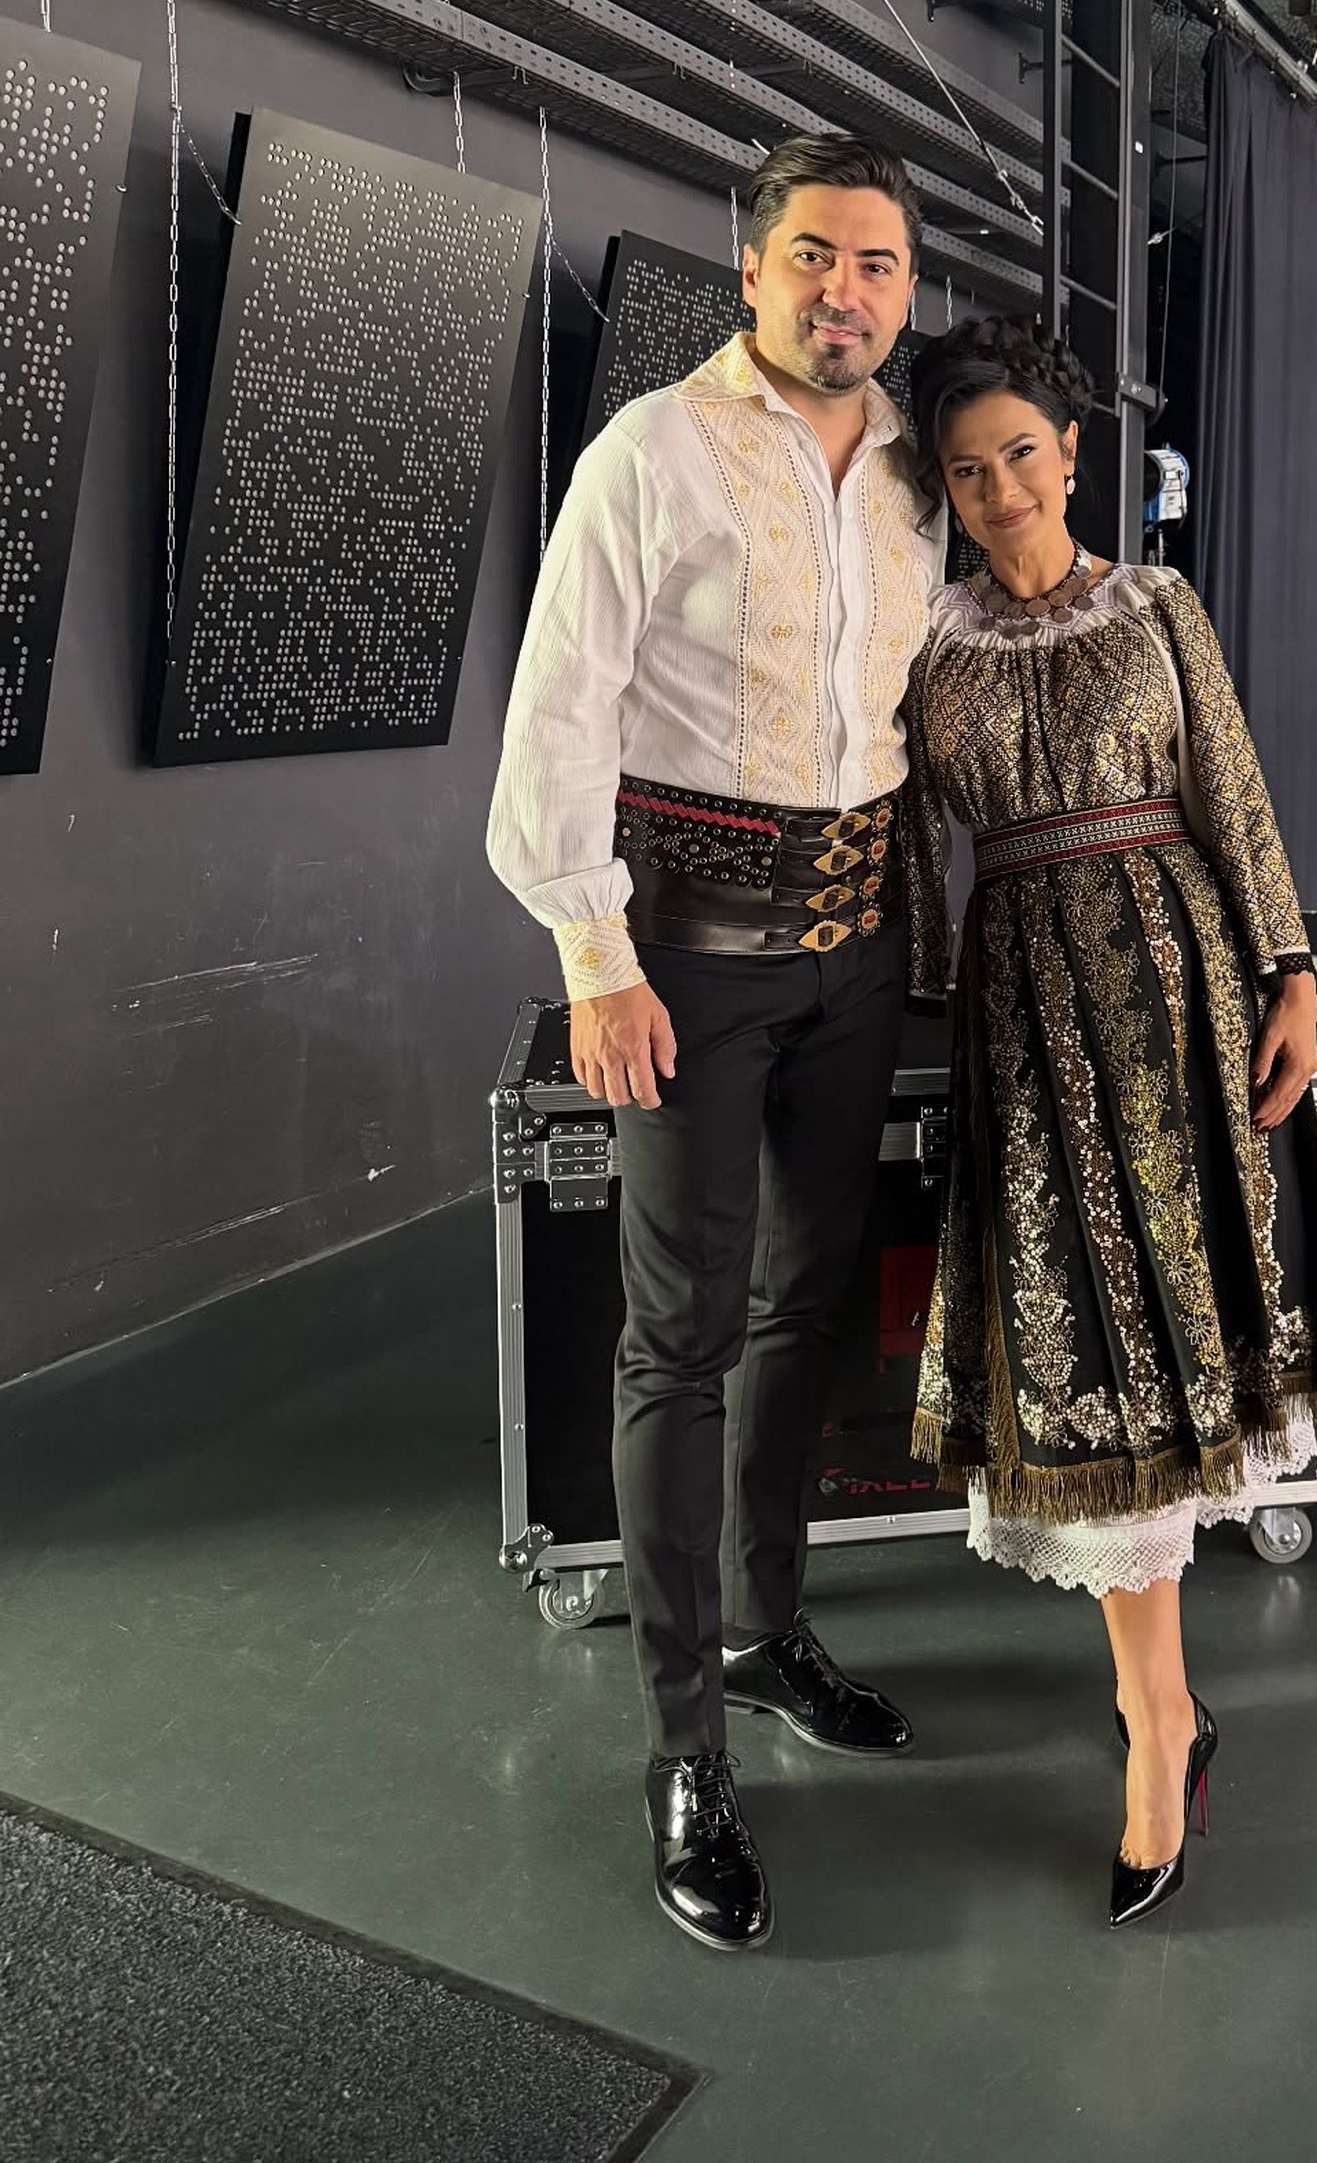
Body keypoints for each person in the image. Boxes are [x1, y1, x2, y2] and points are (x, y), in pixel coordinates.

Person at [487, 133, 943, 1955]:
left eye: (879, 264)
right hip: (682, 960)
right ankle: (685, 1751)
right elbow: (560, 706)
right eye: (816, 256)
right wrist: (595, 959)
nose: (847, 291)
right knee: (677, 1339)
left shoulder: (915, 473)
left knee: (801, 1307)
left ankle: (767, 1631)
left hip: (860, 957)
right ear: (752, 270)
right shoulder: (652, 452)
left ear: (907, 291)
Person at [901, 313, 1317, 1929]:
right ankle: (1157, 1709)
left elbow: (1230, 786)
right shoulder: (925, 641)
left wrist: (1292, 970)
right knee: (1086, 1349)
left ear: (1076, 453)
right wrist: (908, 998)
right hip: (1022, 1013)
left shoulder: (1160, 604)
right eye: (968, 469)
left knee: (1168, 1340)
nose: (1001, 490)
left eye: (1023, 454)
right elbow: (906, 845)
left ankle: (1158, 1726)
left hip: (1180, 992)